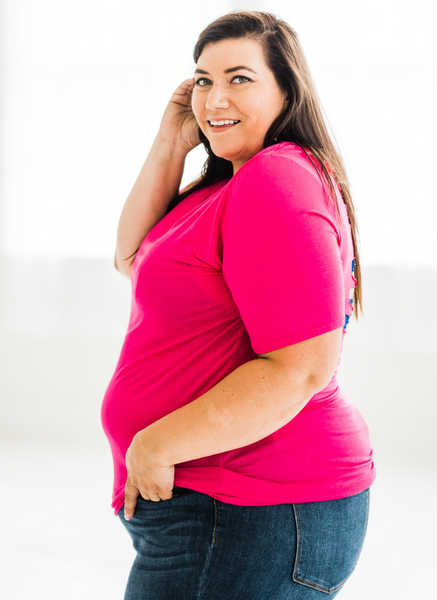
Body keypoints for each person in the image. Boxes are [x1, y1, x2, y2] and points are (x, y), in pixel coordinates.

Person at [101, 10, 376, 599]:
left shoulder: (275, 178)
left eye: (239, 78)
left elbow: (300, 368)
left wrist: (154, 445)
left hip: (252, 506)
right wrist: (173, 140)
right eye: (202, 79)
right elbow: (130, 255)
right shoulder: (230, 183)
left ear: (286, 88)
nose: (214, 96)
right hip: (223, 504)